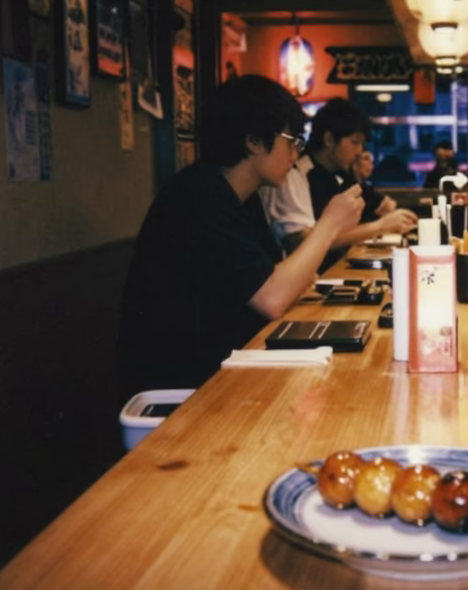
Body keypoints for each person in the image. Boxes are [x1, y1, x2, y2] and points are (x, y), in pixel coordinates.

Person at [118, 75, 364, 401]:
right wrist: (330, 224)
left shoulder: (244, 198)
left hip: (233, 365)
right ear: (254, 141)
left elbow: (280, 280)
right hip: (189, 387)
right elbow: (272, 298)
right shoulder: (199, 196)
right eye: (291, 140)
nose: (296, 154)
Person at [260, 98, 416, 257]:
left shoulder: (338, 175)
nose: (359, 151)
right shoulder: (294, 173)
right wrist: (380, 226)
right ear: (329, 139)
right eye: (355, 142)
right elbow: (301, 242)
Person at [351, 149, 398, 220]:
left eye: (371, 160)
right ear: (354, 163)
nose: (371, 163)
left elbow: (390, 205)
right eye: (366, 159)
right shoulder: (349, 188)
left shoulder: (366, 188)